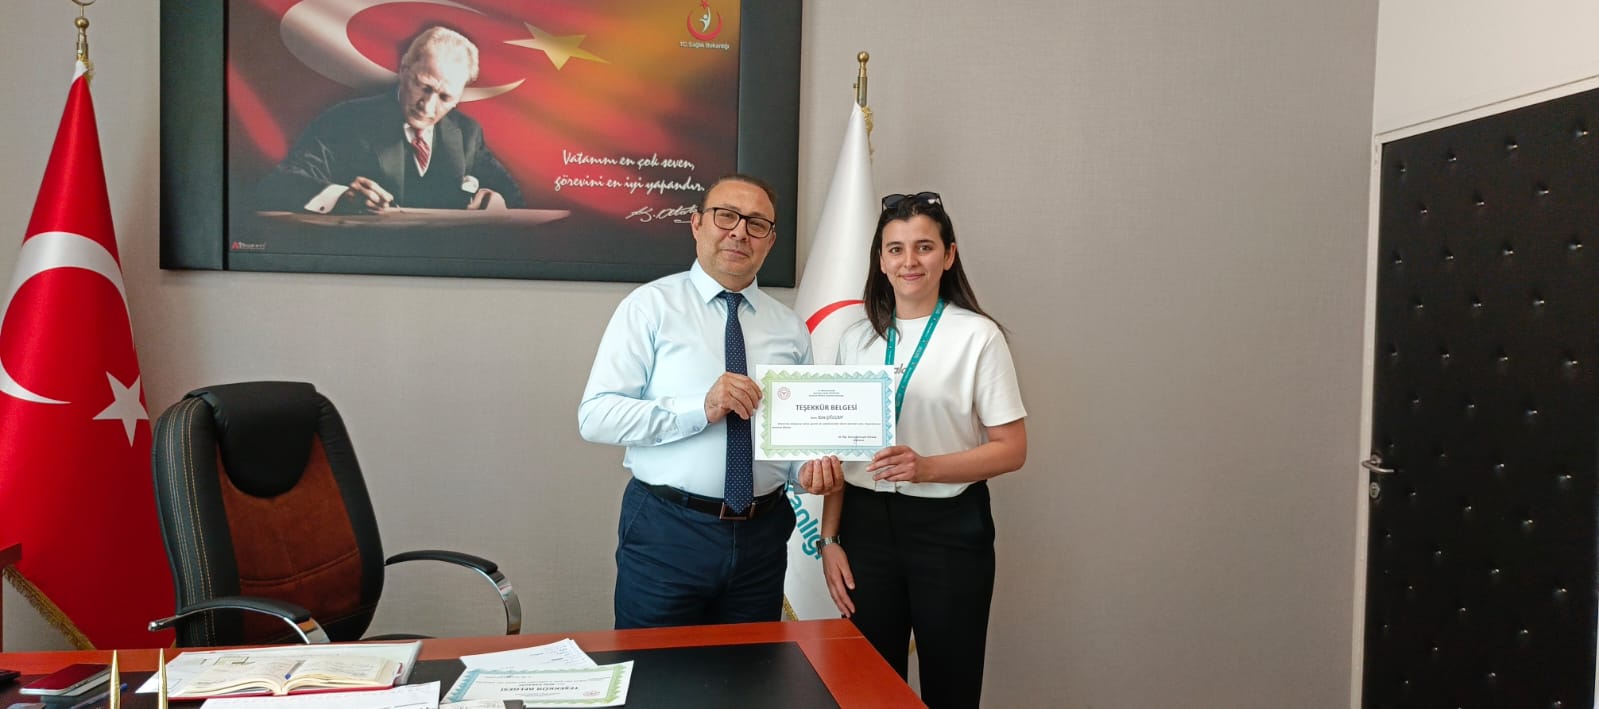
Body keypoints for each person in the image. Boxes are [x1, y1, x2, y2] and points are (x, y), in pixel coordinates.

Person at [578, 174, 843, 629]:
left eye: (756, 224)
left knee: (749, 670)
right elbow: (596, 416)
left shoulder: (790, 328)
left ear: (770, 241)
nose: (740, 232)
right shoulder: (649, 307)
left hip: (763, 536)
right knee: (658, 670)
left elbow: (794, 437)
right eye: (726, 216)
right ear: (697, 224)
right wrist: (700, 408)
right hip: (668, 531)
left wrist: (806, 473)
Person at [817, 191, 1028, 709]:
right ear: (880, 260)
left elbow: (1012, 449)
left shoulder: (978, 337)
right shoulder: (855, 340)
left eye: (924, 247)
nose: (909, 261)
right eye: (895, 249)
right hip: (865, 527)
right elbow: (842, 448)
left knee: (951, 687)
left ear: (948, 255)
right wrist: (830, 538)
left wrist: (926, 467)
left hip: (948, 530)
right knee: (869, 689)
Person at [257, 26, 523, 214]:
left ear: (459, 97)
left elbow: (514, 198)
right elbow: (279, 184)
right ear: (404, 69)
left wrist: (499, 203)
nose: (428, 106)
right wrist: (340, 196)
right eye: (424, 87)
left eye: (445, 97)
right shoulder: (346, 120)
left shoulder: (467, 132)